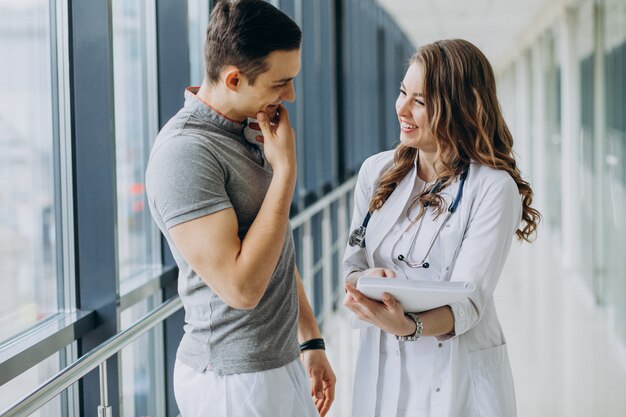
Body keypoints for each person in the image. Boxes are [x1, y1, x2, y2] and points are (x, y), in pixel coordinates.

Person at [145, 1, 335, 416]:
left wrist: (310, 338)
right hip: (232, 381)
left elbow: (272, 248)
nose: (291, 96)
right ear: (233, 79)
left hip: (276, 362)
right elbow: (241, 288)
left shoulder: (245, 132)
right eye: (279, 83)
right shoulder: (185, 154)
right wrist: (284, 172)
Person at [342, 39, 540, 417]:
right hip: (382, 366)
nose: (402, 108)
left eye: (420, 101)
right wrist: (367, 278)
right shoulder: (376, 172)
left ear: (459, 108)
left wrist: (407, 326)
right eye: (403, 92)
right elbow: (352, 263)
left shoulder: (493, 188)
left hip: (456, 374)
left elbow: (468, 303)